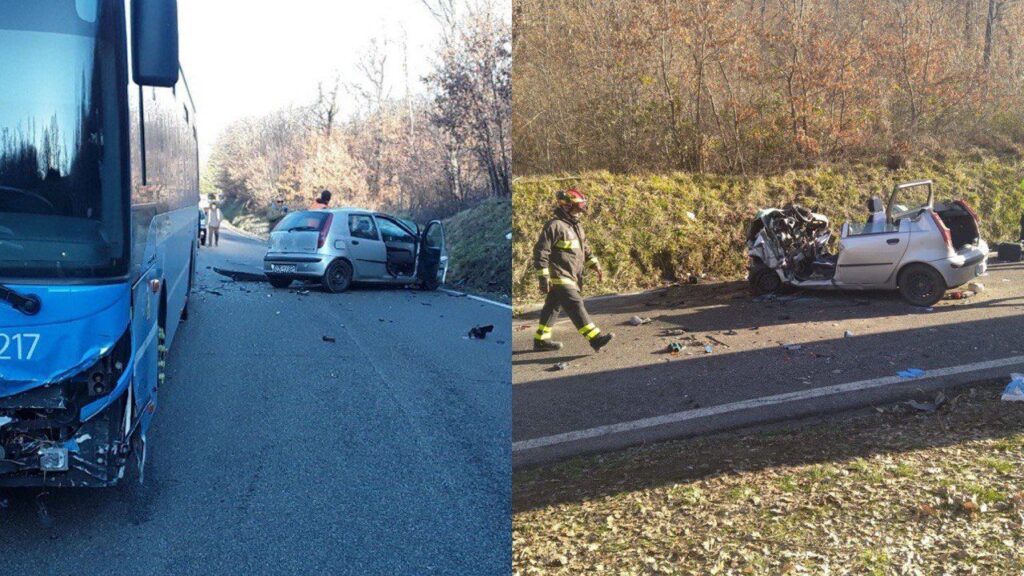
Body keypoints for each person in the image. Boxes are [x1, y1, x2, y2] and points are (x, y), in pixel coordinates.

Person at [532, 188, 614, 353]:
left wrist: (594, 264)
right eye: (577, 208)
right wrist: (543, 276)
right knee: (575, 304)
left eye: (581, 207)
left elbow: (585, 250)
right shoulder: (555, 226)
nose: (580, 212)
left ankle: (541, 340)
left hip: (571, 275)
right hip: (559, 276)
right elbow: (541, 251)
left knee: (552, 306)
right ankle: (595, 339)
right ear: (566, 207)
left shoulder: (576, 227)